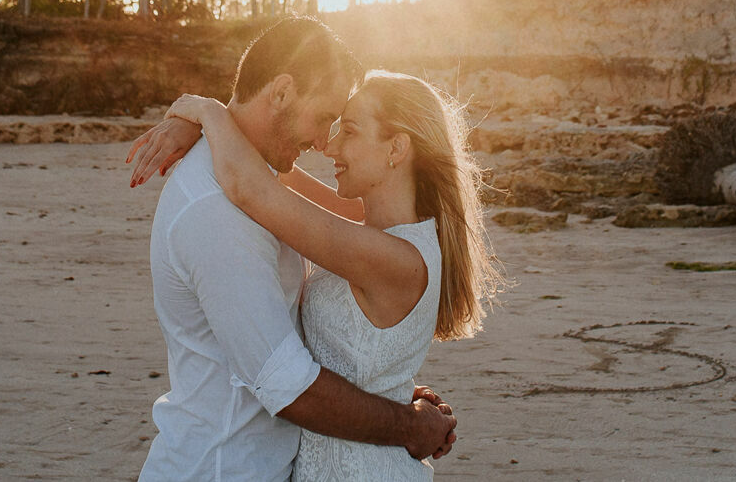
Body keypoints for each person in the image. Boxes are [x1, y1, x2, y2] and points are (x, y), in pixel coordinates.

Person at [130, 30, 500, 481]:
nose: (327, 144)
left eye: (347, 128)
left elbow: (257, 187)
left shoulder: (388, 249)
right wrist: (203, 117)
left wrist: (206, 111)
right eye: (329, 119)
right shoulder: (228, 204)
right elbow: (263, 181)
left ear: (397, 149)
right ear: (283, 92)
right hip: (225, 466)